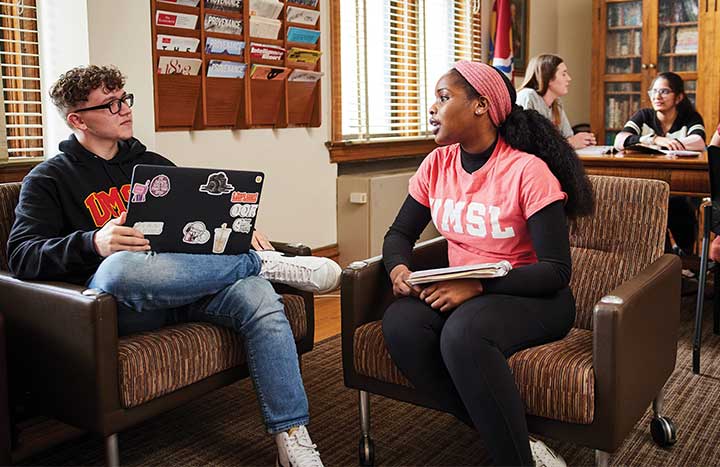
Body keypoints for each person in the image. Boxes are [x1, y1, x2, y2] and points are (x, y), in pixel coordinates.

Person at [6, 65, 339, 467]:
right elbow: (22, 255)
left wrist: (236, 228)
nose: (124, 109)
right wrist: (93, 241)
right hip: (118, 307)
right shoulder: (48, 179)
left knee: (258, 297)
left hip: (188, 285)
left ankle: (292, 436)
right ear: (77, 119)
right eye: (109, 105)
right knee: (120, 267)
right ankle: (259, 265)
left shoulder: (152, 162)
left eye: (124, 99)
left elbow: (198, 226)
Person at [381, 60, 594, 467]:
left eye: (444, 98)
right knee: (400, 324)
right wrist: (398, 269)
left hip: (534, 296)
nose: (432, 108)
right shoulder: (437, 164)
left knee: (463, 335)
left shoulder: (527, 171)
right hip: (466, 294)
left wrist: (479, 286)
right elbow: (399, 235)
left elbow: (556, 270)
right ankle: (518, 440)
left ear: (481, 105)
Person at [614, 71, 706, 256]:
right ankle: (661, 257)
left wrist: (670, 143)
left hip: (682, 182)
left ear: (678, 97)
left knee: (676, 203)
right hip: (650, 180)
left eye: (664, 91)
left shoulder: (690, 116)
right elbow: (620, 140)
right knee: (648, 202)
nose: (657, 96)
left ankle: (685, 255)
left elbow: (699, 141)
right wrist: (655, 140)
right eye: (654, 91)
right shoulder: (644, 115)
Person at [516, 54, 596, 149]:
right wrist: (569, 143)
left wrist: (583, 141)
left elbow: (567, 137)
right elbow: (526, 143)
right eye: (563, 74)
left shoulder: (556, 103)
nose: (569, 79)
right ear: (548, 78)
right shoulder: (527, 96)